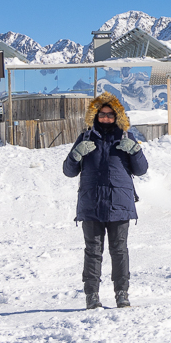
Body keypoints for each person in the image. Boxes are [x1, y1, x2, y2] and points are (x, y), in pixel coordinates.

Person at [63, 92, 148, 309]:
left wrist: (136, 151)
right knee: (92, 251)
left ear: (118, 116)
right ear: (95, 115)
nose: (106, 119)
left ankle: (122, 293)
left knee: (119, 250)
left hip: (119, 203)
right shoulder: (85, 138)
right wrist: (76, 155)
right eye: (102, 115)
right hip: (91, 203)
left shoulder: (126, 138)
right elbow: (68, 171)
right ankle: (92, 295)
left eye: (111, 115)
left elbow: (142, 170)